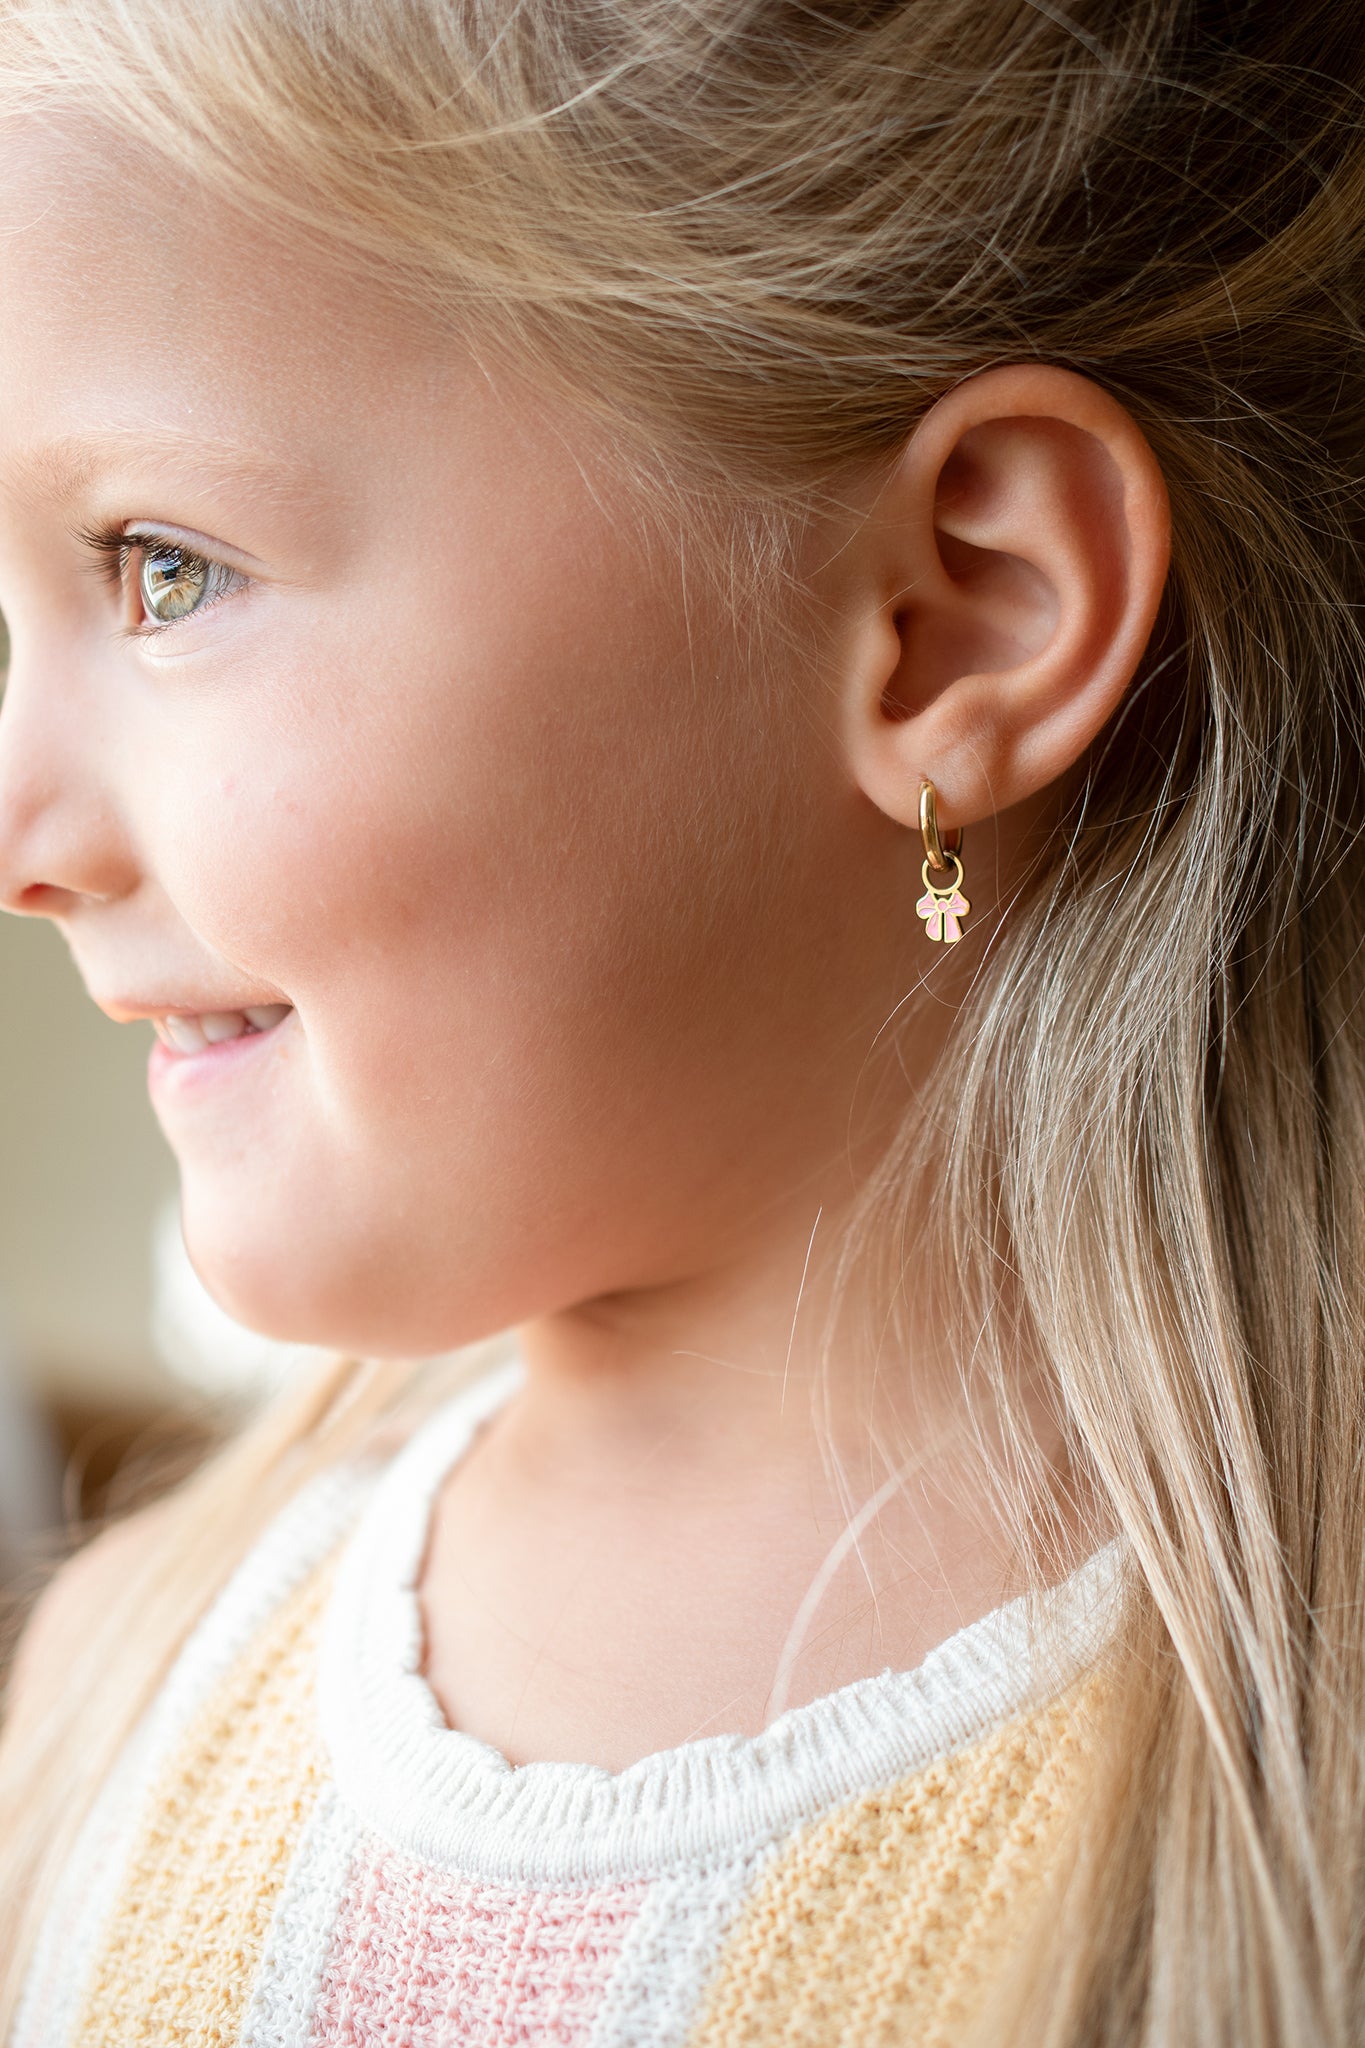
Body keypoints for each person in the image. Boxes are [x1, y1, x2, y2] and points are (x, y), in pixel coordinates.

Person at [0, 2, 1360, 2042]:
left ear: (958, 612)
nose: (23, 832)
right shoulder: (107, 1699)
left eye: (165, 571)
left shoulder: (1285, 1820)